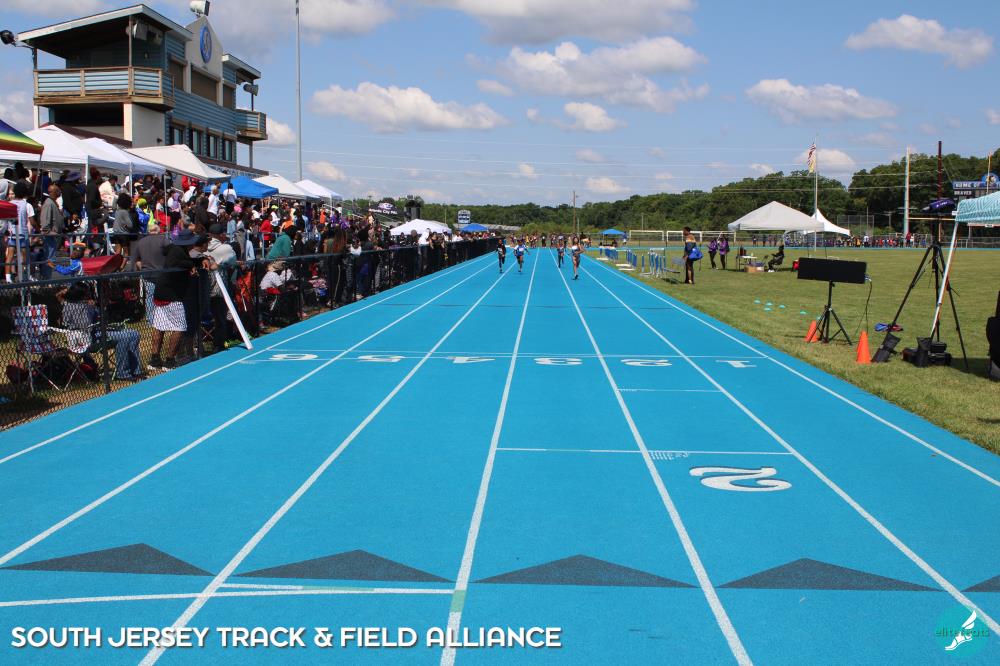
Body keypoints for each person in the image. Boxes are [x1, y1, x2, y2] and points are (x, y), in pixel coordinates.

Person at [60, 283, 143, 380]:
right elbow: (86, 326)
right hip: (88, 338)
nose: (89, 295)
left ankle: (136, 370)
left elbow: (101, 316)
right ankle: (122, 372)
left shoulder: (85, 304)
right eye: (87, 293)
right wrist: (90, 308)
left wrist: (96, 309)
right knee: (125, 337)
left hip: (98, 331)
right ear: (80, 295)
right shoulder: (72, 306)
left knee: (134, 334)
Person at [149, 229, 198, 370]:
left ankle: (155, 360)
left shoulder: (175, 249)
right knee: (179, 327)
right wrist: (190, 265)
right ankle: (169, 360)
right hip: (171, 294)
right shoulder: (177, 251)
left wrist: (197, 262)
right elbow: (174, 263)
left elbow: (185, 262)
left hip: (163, 291)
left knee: (159, 325)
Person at [205, 223, 237, 352]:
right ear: (221, 235)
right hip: (219, 288)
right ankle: (218, 344)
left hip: (203, 286)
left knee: (199, 317)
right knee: (220, 317)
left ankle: (196, 346)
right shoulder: (225, 248)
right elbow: (233, 260)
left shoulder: (203, 246)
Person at [6, 182, 35, 282]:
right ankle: (23, 276)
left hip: (12, 234)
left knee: (9, 257)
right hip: (23, 234)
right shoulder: (27, 205)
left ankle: (8, 278)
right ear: (25, 193)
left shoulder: (9, 204)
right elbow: (32, 221)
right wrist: (39, 228)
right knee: (24, 257)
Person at [38, 183, 65, 280]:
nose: (60, 192)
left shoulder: (53, 203)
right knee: (49, 258)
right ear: (53, 192)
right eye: (58, 190)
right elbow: (45, 224)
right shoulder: (49, 204)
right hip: (50, 237)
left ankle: (47, 278)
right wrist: (53, 233)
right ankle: (46, 279)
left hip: (53, 236)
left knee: (51, 258)